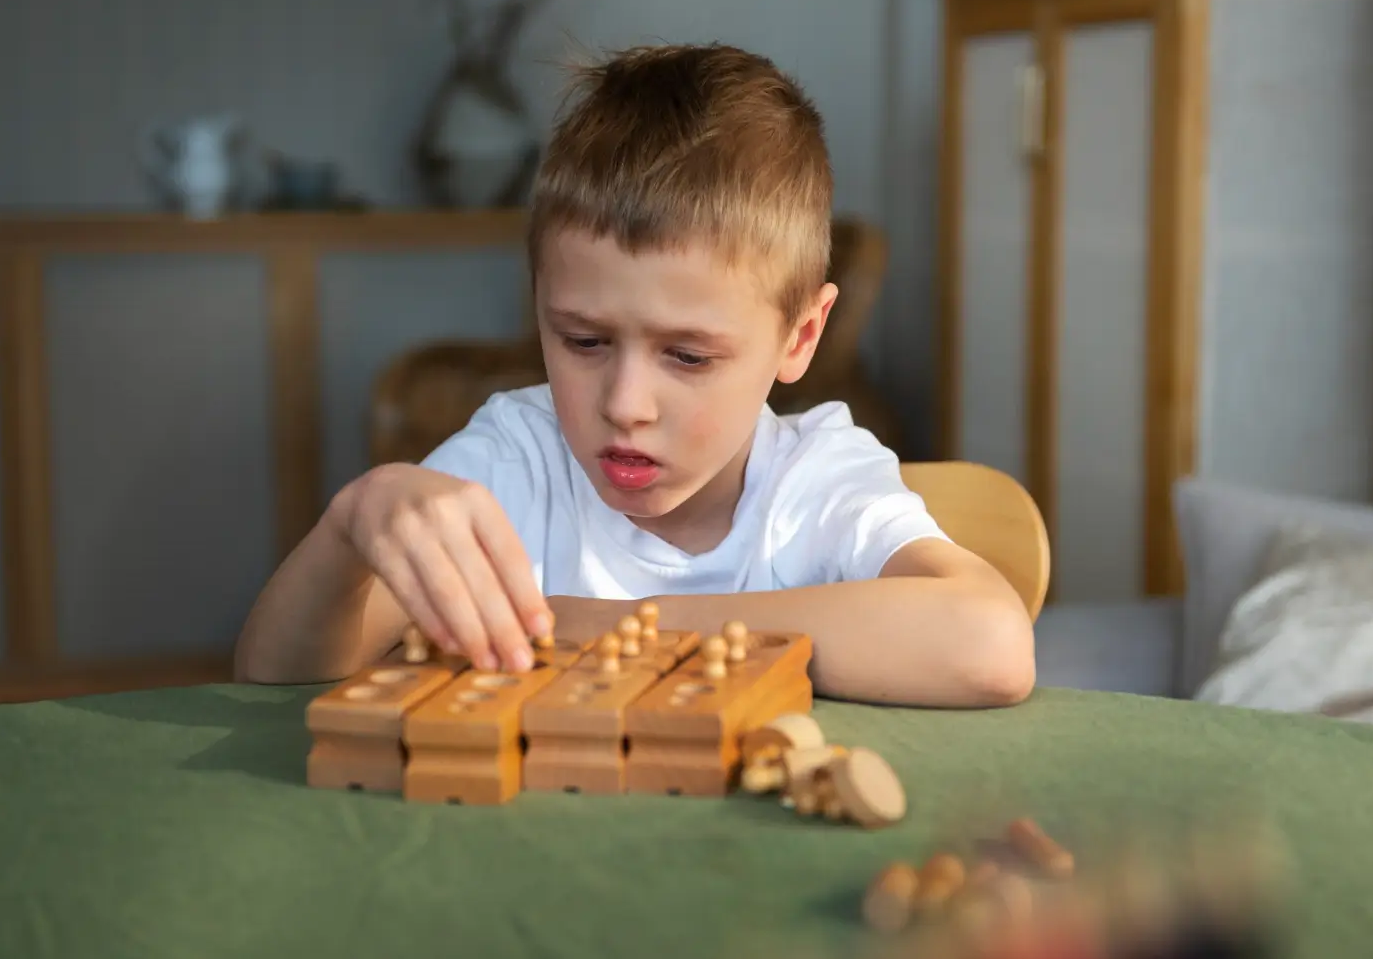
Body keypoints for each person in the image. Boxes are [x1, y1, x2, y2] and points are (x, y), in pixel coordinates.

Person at [235, 43, 1034, 707]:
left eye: (687, 356)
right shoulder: (515, 459)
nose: (624, 406)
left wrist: (603, 625)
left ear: (801, 337)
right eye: (583, 340)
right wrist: (350, 527)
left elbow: (989, 645)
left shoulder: (817, 482)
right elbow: (276, 678)